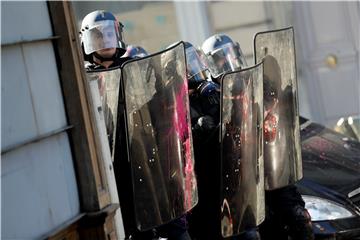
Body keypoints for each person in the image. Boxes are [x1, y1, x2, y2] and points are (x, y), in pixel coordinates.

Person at [80, 10, 191, 240]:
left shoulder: (137, 68)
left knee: (175, 229)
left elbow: (160, 108)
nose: (106, 41)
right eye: (99, 36)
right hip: (111, 166)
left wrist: (170, 82)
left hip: (145, 159)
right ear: (87, 41)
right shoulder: (85, 77)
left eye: (110, 34)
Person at [202, 34, 313, 240]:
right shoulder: (212, 97)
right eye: (220, 59)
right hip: (239, 185)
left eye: (230, 55)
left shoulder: (256, 84)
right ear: (210, 64)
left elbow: (275, 126)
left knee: (298, 217)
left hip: (270, 170)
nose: (228, 62)